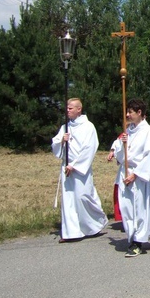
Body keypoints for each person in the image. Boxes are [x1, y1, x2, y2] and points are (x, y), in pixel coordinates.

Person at [51, 98, 108, 243]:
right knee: (69, 200)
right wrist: (61, 141)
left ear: (79, 109)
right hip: (67, 170)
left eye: (71, 108)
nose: (67, 111)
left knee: (83, 197)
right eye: (67, 108)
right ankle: (71, 232)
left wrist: (74, 165)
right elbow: (55, 144)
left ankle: (93, 225)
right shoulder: (65, 127)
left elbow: (90, 147)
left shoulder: (88, 127)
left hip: (80, 169)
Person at [112, 98, 150, 258]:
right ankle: (131, 236)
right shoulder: (127, 132)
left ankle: (138, 241)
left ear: (139, 113)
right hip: (124, 173)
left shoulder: (148, 131)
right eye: (127, 112)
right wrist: (122, 145)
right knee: (126, 208)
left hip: (139, 175)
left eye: (130, 112)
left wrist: (136, 174)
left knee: (139, 208)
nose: (127, 115)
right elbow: (120, 157)